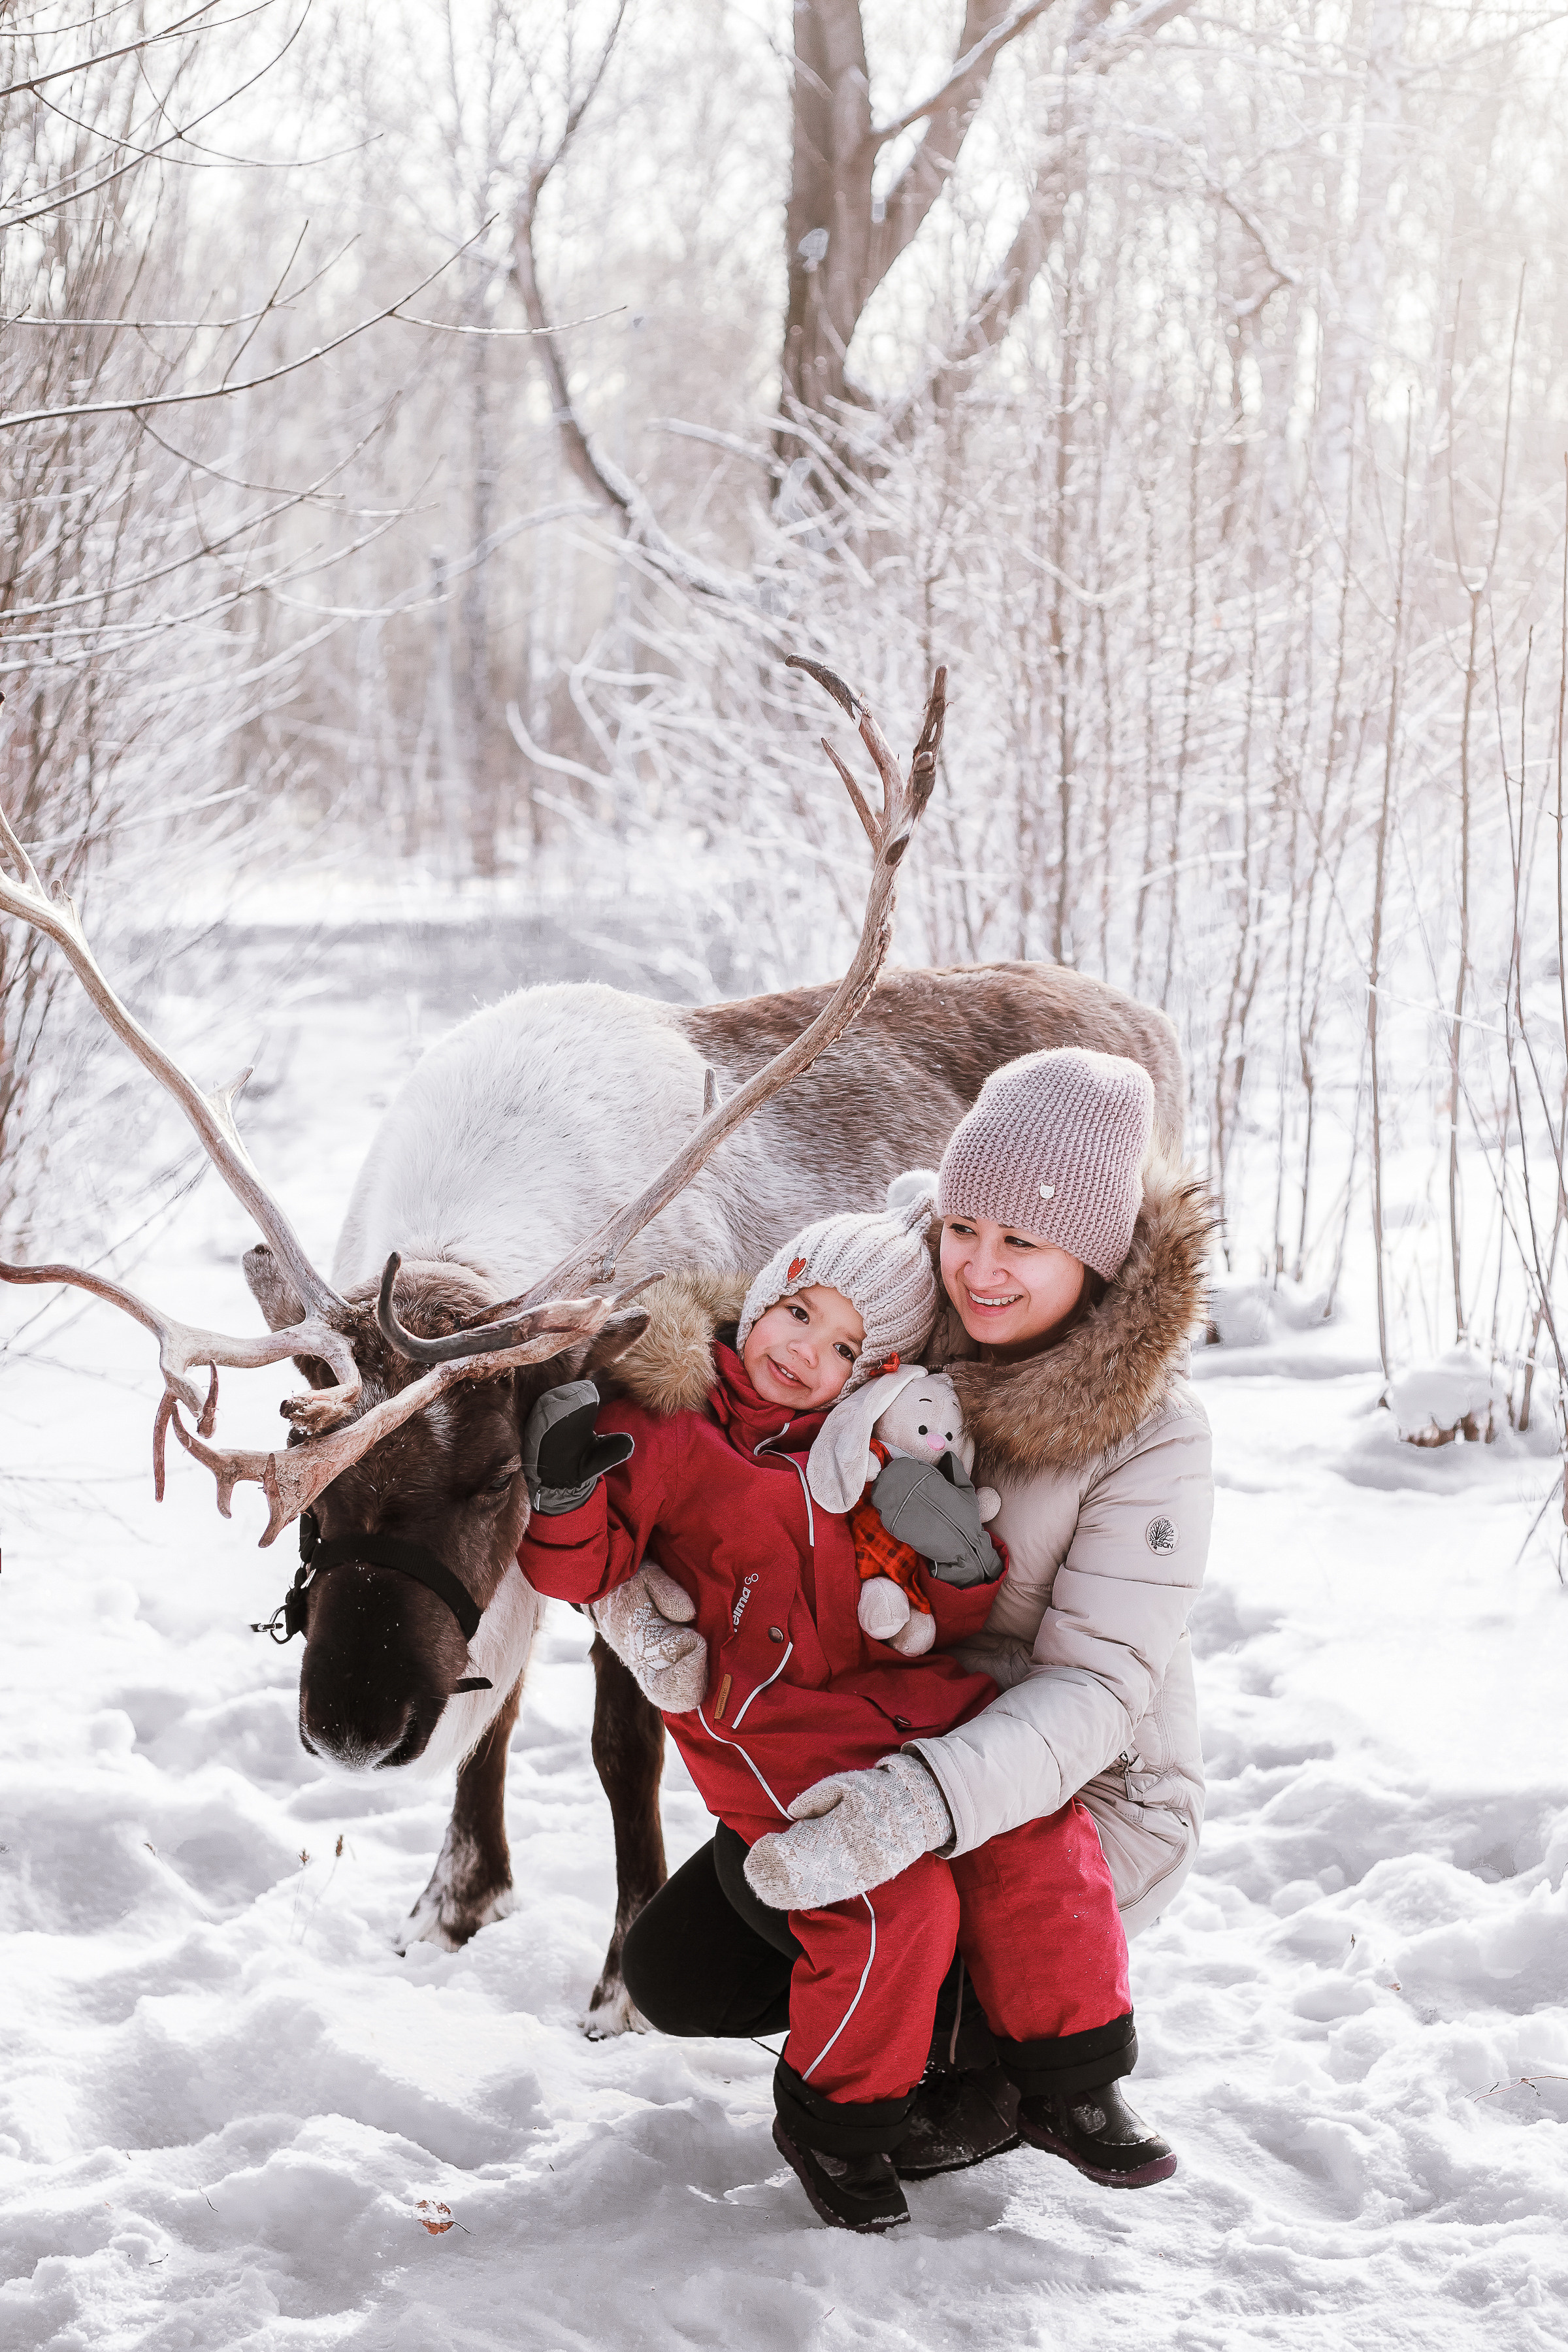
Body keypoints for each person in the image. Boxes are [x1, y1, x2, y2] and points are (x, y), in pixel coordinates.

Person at [613, 1045, 1214, 2185]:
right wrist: (635, 1593)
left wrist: (924, 1803)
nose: (981, 1270)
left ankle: (1005, 2067)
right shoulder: (899, 1310)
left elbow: (1093, 1691)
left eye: (1023, 1244)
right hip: (882, 1725)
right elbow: (737, 1408)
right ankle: (918, 2016)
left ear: (1094, 1255)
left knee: (953, 1890)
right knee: (682, 1971)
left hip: (1081, 1787)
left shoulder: (1158, 1435)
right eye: (964, 1228)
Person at [515, 1190, 1142, 2233]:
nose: (808, 1353)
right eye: (799, 1312)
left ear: (876, 1376)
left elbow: (935, 1620)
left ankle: (1071, 2075)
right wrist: (568, 1494)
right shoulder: (675, 1426)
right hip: (767, 1726)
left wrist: (953, 1557)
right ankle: (837, 2123)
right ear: (761, 1298)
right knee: (890, 1901)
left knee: (1033, 1828)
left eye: (846, 1347)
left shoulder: (870, 1457)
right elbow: (583, 1574)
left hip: (905, 1705)